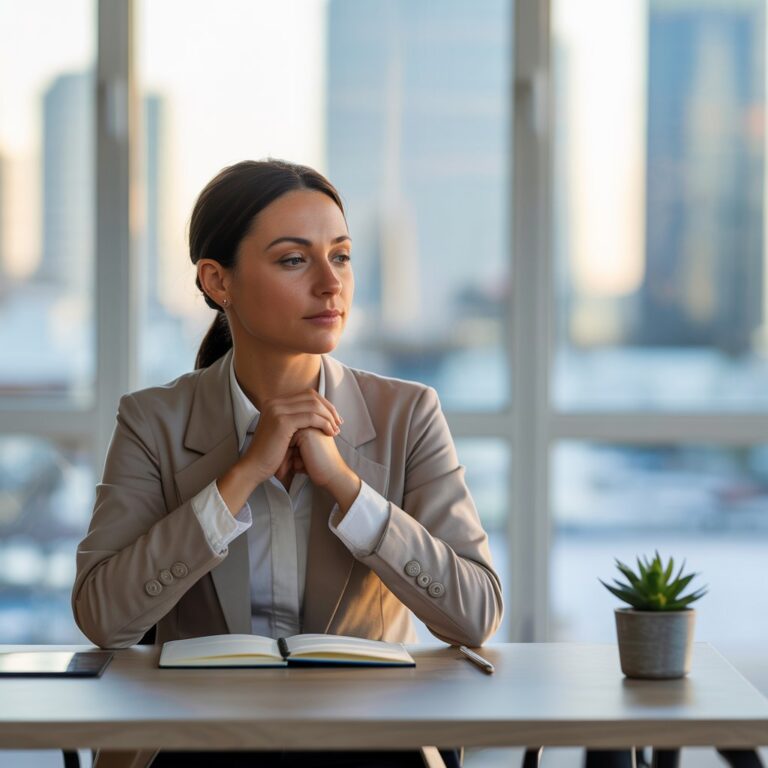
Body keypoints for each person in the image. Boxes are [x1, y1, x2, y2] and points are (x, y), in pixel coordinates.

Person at [72, 159, 503, 768]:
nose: (331, 284)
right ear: (218, 281)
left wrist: (347, 488)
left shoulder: (410, 414)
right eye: (294, 259)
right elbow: (103, 619)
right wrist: (242, 475)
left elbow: (476, 614)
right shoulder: (152, 421)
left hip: (367, 744)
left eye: (343, 256)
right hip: (200, 742)